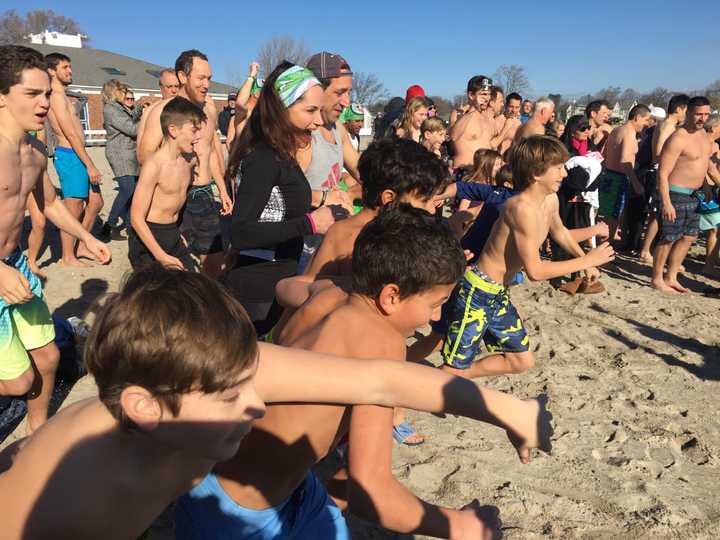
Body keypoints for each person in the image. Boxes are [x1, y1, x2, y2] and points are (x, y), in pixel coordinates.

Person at [0, 265, 552, 540]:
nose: (259, 405)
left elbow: (382, 380)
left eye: (252, 382)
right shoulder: (85, 495)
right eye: (233, 396)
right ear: (147, 407)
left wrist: (508, 409)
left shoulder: (199, 370)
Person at [176, 207, 552, 540]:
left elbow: (285, 288)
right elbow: (371, 493)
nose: (436, 318)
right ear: (390, 296)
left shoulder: (329, 290)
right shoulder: (382, 343)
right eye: (435, 304)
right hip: (243, 515)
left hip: (230, 479)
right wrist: (464, 528)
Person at [0, 45, 110, 435]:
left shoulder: (34, 152)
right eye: (32, 94)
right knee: (17, 382)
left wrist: (85, 236)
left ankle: (38, 429)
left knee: (47, 358)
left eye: (47, 93)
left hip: (15, 267)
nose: (45, 102)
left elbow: (49, 203)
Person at [438, 136, 614, 379]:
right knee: (451, 364)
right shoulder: (520, 208)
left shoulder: (549, 199)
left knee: (520, 360)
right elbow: (535, 271)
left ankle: (452, 379)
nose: (564, 174)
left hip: (498, 292)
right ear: (535, 174)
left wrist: (583, 258)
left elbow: (559, 232)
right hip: (477, 292)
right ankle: (412, 397)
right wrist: (588, 261)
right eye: (558, 168)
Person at [222, 63, 346, 335]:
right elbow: (240, 233)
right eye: (309, 111)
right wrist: (310, 224)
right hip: (256, 292)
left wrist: (323, 202)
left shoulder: (280, 154)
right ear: (281, 108)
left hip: (276, 282)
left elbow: (277, 209)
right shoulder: (263, 157)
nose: (317, 121)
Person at [137, 49, 233, 277]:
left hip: (205, 193)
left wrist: (222, 189)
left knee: (215, 258)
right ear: (182, 77)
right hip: (173, 198)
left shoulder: (209, 109)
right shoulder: (163, 111)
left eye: (209, 78)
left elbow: (210, 152)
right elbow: (144, 156)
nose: (206, 84)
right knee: (172, 269)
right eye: (201, 78)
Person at [128, 97, 206, 271]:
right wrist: (160, 255)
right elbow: (136, 217)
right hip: (148, 238)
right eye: (194, 130)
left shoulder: (188, 162)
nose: (199, 136)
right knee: (156, 295)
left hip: (172, 233)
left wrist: (176, 233)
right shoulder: (154, 165)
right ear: (173, 130)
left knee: (190, 286)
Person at [45, 52, 105, 267]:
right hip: (69, 156)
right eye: (65, 67)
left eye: (70, 67)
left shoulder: (65, 96)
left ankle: (81, 245)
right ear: (51, 70)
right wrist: (90, 165)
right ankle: (67, 256)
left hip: (78, 155)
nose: (70, 71)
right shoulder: (55, 97)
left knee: (96, 203)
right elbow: (70, 134)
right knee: (73, 208)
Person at [651, 97, 713, 293]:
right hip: (676, 192)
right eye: (698, 114)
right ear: (688, 113)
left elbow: (704, 163)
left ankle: (672, 276)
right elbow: (663, 172)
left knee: (689, 237)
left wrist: (707, 186)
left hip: (696, 195)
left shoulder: (703, 134)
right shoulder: (679, 137)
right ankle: (657, 278)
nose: (702, 118)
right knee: (669, 236)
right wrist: (666, 202)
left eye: (705, 114)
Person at [639, 94, 690, 263]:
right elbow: (660, 152)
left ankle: (647, 249)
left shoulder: (665, 124)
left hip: (657, 170)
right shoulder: (668, 126)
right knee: (657, 214)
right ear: (680, 109)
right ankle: (646, 250)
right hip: (659, 171)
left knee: (657, 214)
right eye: (687, 110)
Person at [600, 104, 652, 245]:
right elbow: (625, 162)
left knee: (608, 213)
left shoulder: (617, 130)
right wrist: (636, 184)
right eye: (646, 120)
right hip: (618, 177)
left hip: (609, 175)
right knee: (614, 215)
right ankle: (607, 246)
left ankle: (606, 244)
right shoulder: (629, 133)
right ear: (637, 117)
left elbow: (604, 154)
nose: (647, 124)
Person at [100, 79, 143, 239]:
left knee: (131, 191)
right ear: (113, 92)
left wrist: (140, 105)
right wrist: (149, 120)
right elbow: (132, 129)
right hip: (119, 154)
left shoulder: (120, 107)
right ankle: (109, 225)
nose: (124, 93)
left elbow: (133, 114)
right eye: (121, 90)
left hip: (130, 154)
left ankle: (129, 226)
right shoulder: (111, 109)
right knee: (127, 189)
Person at [450, 75, 504, 168]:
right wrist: (472, 110)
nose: (487, 98)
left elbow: (491, 145)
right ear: (471, 95)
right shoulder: (459, 114)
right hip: (465, 172)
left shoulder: (488, 118)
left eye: (488, 94)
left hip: (484, 173)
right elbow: (453, 136)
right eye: (483, 94)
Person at [226, 62, 262, 149]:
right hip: (247, 158)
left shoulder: (263, 114)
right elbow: (240, 103)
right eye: (263, 92)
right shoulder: (245, 114)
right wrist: (252, 76)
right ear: (255, 94)